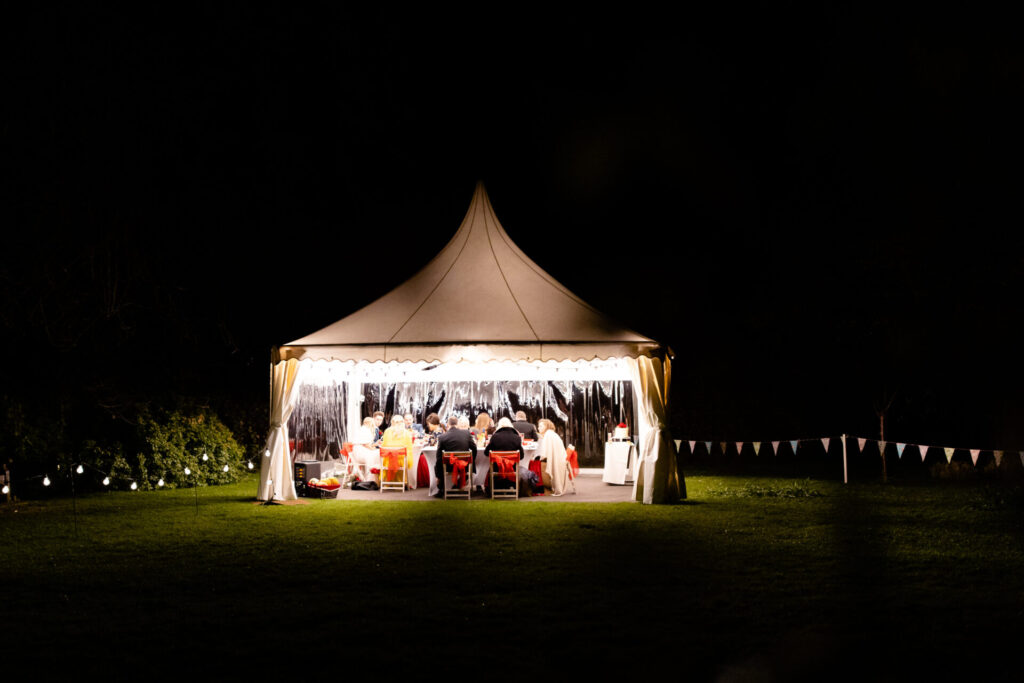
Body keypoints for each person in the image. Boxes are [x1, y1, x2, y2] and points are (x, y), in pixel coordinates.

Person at [435, 416, 477, 497]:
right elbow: (474, 448)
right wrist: (471, 461)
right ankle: (464, 484)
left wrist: (438, 476)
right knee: (471, 461)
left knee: (438, 464)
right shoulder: (466, 433)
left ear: (448, 424)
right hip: (465, 466)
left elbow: (439, 457)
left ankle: (441, 489)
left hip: (449, 466)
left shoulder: (442, 437)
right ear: (457, 424)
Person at [486, 417, 526, 495]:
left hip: (497, 466)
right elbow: (521, 456)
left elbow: (486, 452)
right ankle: (511, 487)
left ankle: (495, 489)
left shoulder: (495, 437)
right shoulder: (517, 437)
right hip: (512, 467)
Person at [380, 415, 414, 487]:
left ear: (392, 423)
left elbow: (384, 445)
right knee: (406, 457)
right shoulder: (406, 433)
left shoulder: (387, 431)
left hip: (388, 460)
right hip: (402, 459)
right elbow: (409, 448)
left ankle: (389, 482)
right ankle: (403, 482)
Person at [537, 418, 568, 496]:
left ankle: (543, 487)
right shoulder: (551, 434)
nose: (538, 428)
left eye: (541, 426)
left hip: (558, 460)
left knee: (539, 463)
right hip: (561, 458)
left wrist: (539, 458)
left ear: (546, 426)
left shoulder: (548, 435)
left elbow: (544, 453)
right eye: (538, 426)